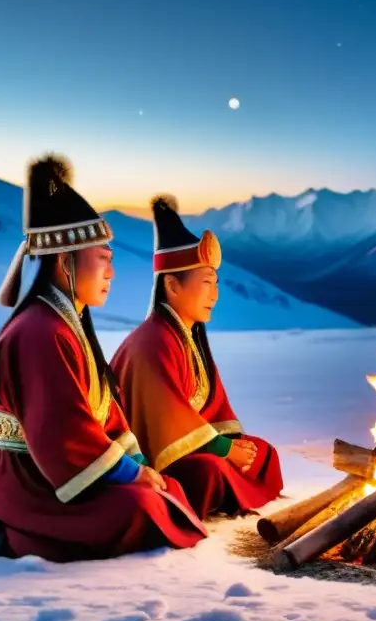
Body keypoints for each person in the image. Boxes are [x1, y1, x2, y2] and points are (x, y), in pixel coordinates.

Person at [0, 155, 207, 560]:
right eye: (104, 261)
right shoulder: (39, 333)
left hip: (54, 472)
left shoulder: (67, 325)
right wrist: (134, 475)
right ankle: (5, 534)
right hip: (29, 480)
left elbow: (105, 414)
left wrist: (140, 465)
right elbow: (63, 432)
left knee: (167, 490)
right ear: (65, 261)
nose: (111, 274)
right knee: (141, 508)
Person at [111, 195, 284, 519]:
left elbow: (213, 406)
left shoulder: (188, 338)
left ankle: (229, 485)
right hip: (155, 455)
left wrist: (233, 444)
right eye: (206, 283)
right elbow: (168, 421)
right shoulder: (153, 341)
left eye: (216, 283)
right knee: (209, 471)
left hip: (191, 443)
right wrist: (225, 450)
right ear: (173, 286)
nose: (214, 294)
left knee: (263, 453)